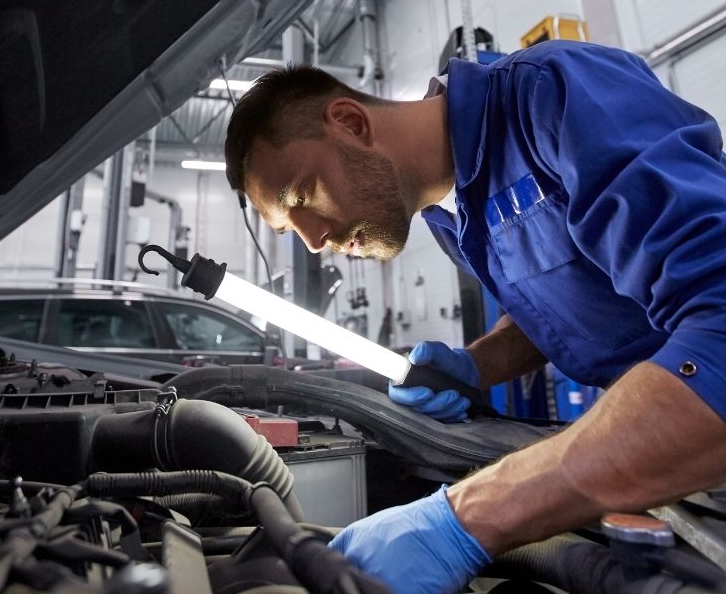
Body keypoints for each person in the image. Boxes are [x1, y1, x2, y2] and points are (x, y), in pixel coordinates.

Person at [224, 40, 726, 594]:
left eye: (303, 196)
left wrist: (464, 520)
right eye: (289, 229)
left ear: (348, 122)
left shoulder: (550, 92)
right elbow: (561, 306)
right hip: (672, 443)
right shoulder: (449, 211)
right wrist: (476, 366)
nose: (314, 241)